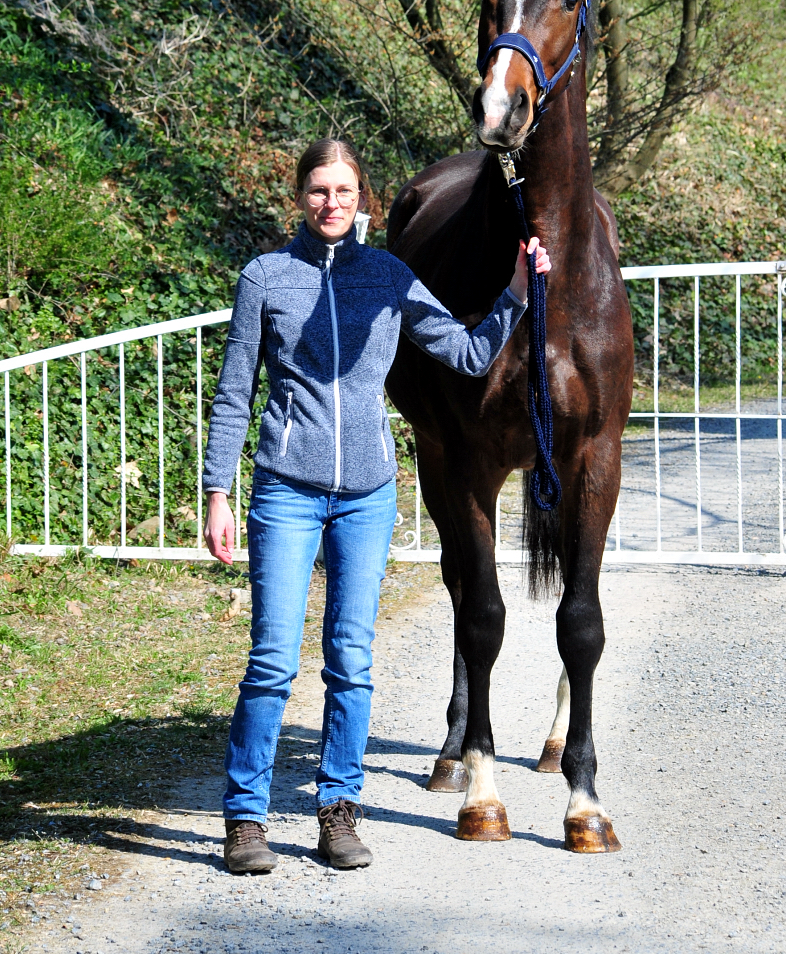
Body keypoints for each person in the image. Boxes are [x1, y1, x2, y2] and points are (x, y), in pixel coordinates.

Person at [202, 138, 550, 875]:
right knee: (270, 662)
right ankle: (245, 819)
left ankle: (338, 811)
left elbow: (461, 353)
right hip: (285, 490)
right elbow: (235, 391)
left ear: (363, 198)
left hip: (366, 495)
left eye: (345, 191)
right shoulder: (264, 277)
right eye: (319, 191)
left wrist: (516, 292)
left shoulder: (390, 276)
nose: (332, 204)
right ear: (299, 197)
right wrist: (217, 492)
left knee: (350, 663)